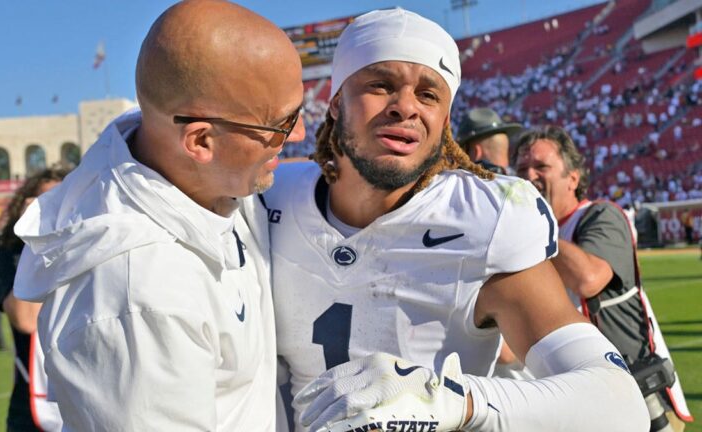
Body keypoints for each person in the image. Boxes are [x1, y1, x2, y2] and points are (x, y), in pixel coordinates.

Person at [263, 8, 648, 432]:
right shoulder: (269, 194)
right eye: (381, 85)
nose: (405, 106)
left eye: (429, 94)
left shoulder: (486, 222)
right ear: (335, 102)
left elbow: (619, 404)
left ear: (444, 121)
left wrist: (453, 400)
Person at [11, 1, 305, 430]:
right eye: (281, 124)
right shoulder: (139, 296)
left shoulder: (201, 176)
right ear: (201, 141)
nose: (297, 135)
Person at [514, 125, 693, 432]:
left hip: (641, 400)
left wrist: (533, 223)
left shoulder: (601, 216)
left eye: (541, 166)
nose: (528, 176)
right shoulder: (525, 234)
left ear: (573, 178)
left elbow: (589, 278)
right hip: (581, 398)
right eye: (521, 169)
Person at [0, 167, 68, 432]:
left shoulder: (93, 246)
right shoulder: (13, 254)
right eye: (46, 202)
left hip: (87, 389)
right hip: (33, 397)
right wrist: (37, 237)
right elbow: (26, 320)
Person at [455, 107, 521, 175]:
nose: (461, 160)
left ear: (476, 153)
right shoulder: (524, 183)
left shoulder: (459, 183)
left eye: (463, 153)